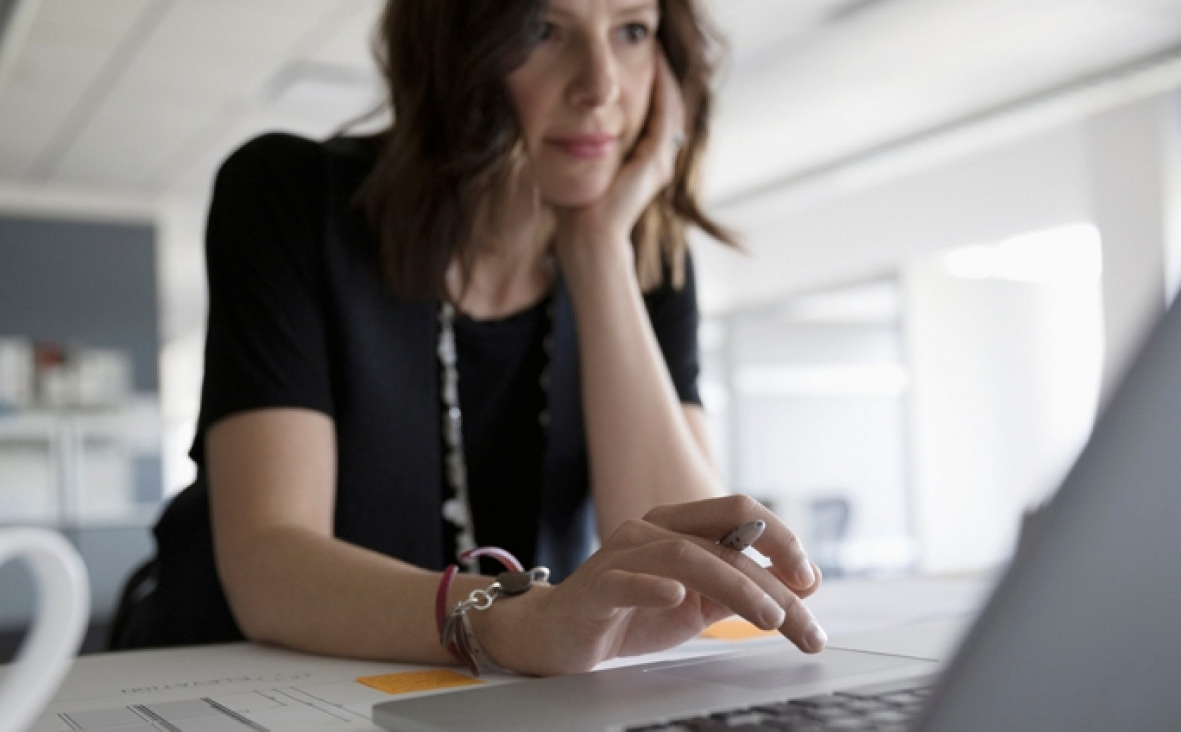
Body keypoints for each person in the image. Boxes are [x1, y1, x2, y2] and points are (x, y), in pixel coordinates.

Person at [111, 0, 827, 676]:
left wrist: (598, 249)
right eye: (543, 29)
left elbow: (683, 574)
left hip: (482, 691)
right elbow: (272, 561)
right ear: (454, 48)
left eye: (632, 30)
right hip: (242, 677)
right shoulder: (289, 197)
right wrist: (515, 623)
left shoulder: (645, 259)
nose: (600, 85)